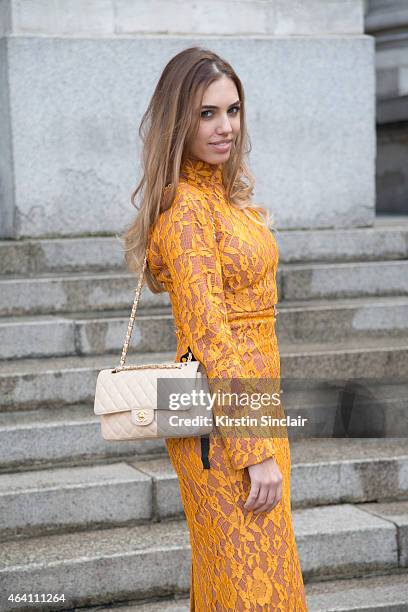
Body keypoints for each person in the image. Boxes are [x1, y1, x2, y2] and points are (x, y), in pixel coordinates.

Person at [122, 46, 308, 611]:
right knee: (251, 590)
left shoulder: (220, 199)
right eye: (207, 113)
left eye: (233, 109)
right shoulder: (185, 212)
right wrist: (253, 448)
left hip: (253, 410)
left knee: (251, 582)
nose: (225, 126)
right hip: (222, 428)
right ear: (179, 120)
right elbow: (211, 337)